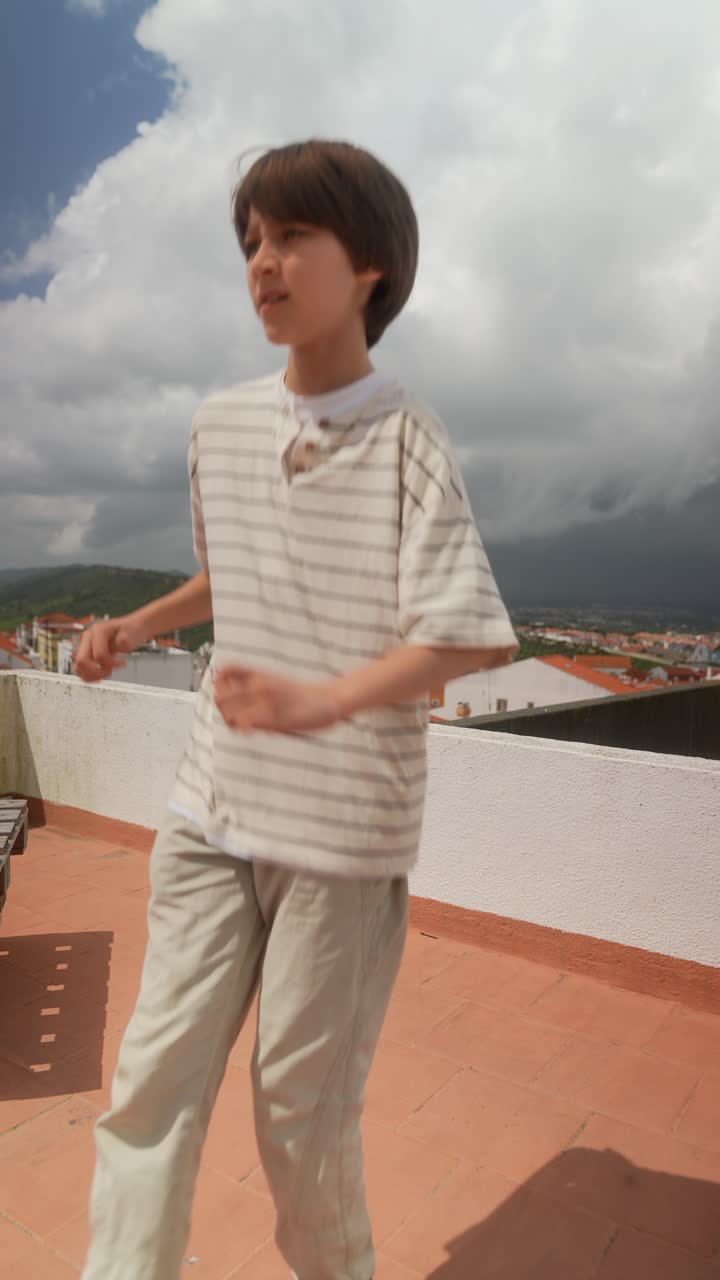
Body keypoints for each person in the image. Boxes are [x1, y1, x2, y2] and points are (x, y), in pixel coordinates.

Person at [74, 139, 518, 1280]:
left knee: (296, 1120)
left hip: (342, 837)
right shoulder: (219, 426)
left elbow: (467, 629)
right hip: (210, 808)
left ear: (368, 262)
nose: (263, 265)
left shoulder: (413, 436)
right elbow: (233, 573)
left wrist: (322, 699)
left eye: (291, 238)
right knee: (148, 1090)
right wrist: (138, 627)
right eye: (251, 243)